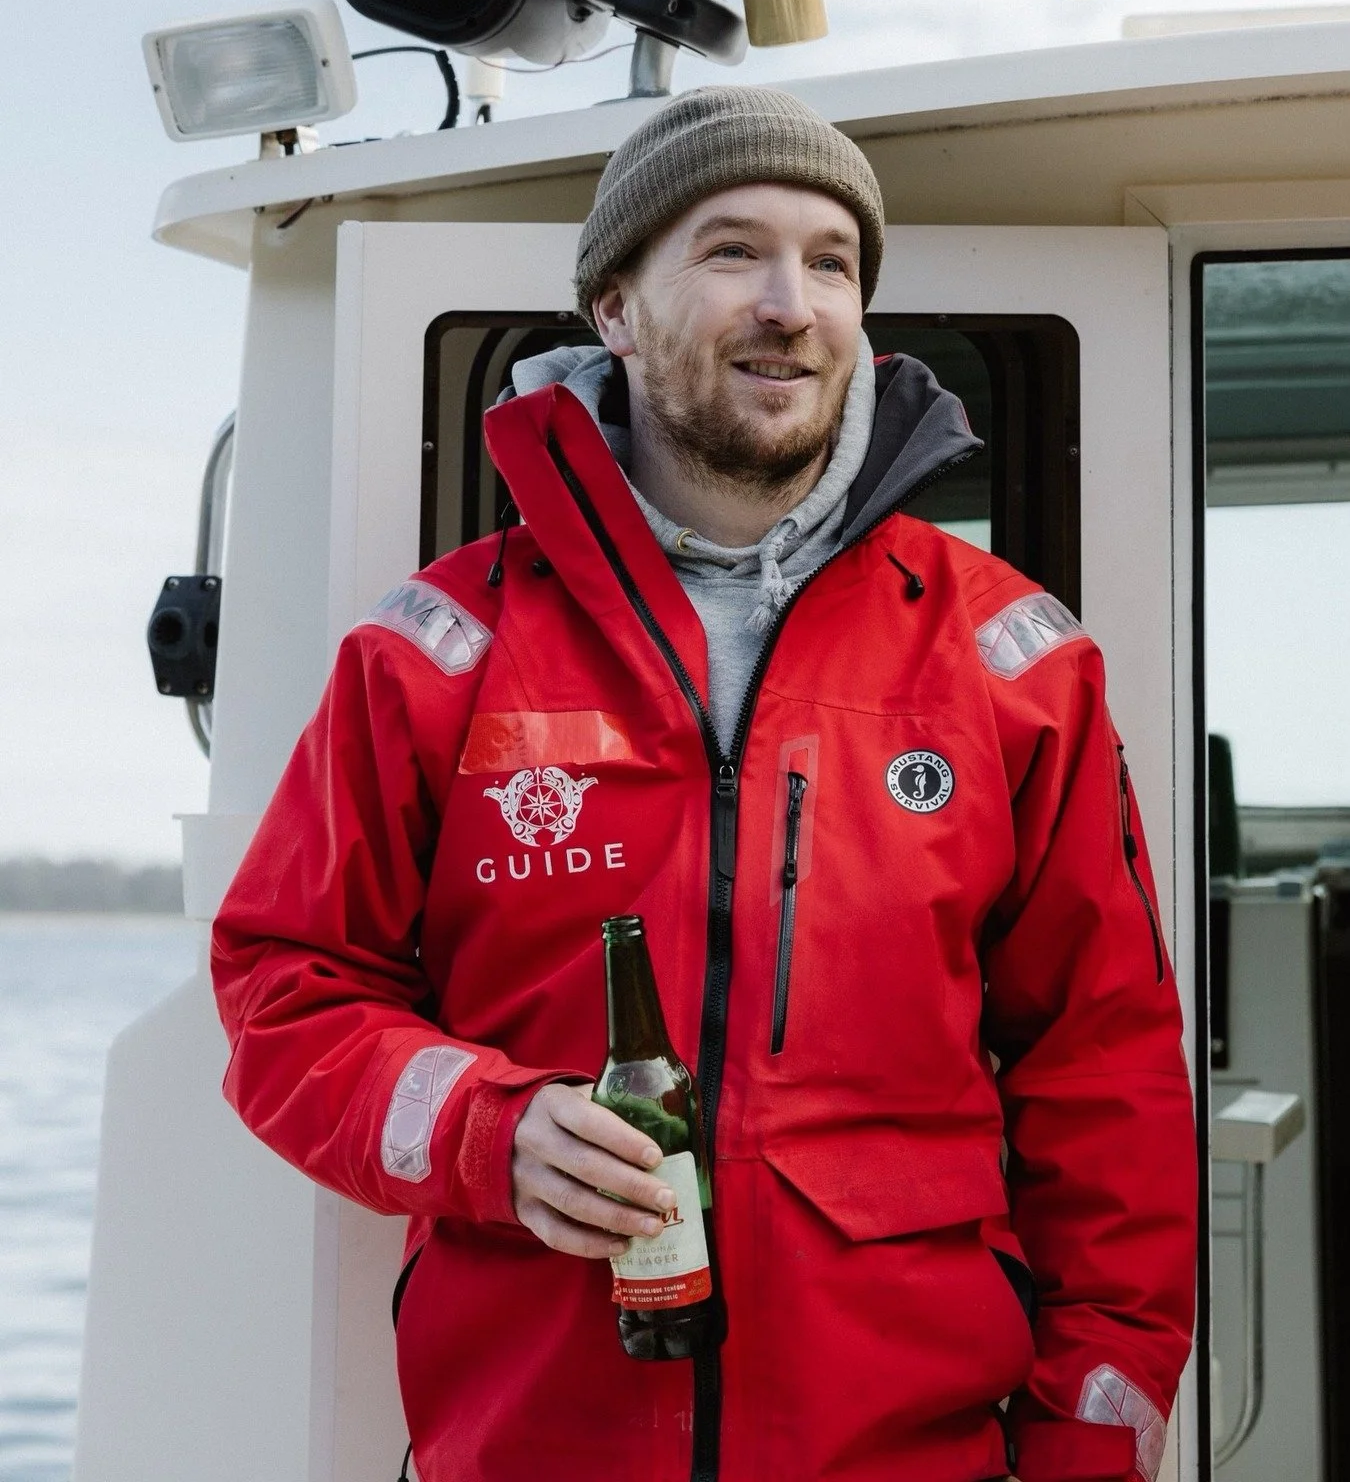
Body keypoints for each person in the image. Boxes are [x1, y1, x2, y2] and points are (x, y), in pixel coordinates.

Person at [212, 86, 1196, 1482]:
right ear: (615, 309)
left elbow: (1104, 1070)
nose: (791, 304)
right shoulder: (438, 651)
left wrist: (1093, 1433)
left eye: (831, 263)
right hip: (535, 1446)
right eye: (733, 251)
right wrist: (490, 1131)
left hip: (908, 1453)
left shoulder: (1010, 662)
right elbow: (285, 989)